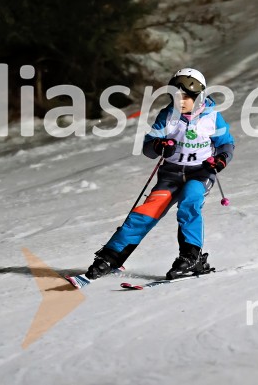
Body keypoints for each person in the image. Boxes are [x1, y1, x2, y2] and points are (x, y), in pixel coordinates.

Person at [84, 68, 235, 280]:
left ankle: (190, 256)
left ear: (198, 96)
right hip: (170, 175)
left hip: (200, 173)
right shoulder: (167, 116)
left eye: (185, 98)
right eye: (175, 97)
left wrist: (220, 160)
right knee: (147, 211)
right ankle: (110, 257)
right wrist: (159, 145)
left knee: (190, 200)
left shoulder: (212, 117)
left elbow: (226, 144)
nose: (180, 102)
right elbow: (147, 149)